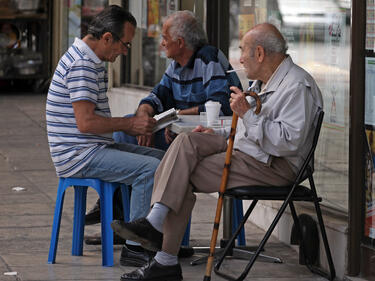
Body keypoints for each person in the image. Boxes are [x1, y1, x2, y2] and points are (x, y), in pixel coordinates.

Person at [111, 22, 324, 281]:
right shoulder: (263, 83)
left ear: (259, 53)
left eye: (243, 51)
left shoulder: (296, 86)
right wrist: (218, 133)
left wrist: (246, 114)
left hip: (275, 165)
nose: (240, 58)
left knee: (181, 173)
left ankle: (164, 257)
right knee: (186, 142)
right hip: (250, 149)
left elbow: (287, 143)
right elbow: (248, 127)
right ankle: (156, 226)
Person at [46, 5, 165, 268]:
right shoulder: (83, 65)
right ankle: (135, 247)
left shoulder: (90, 59)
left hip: (90, 148)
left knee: (166, 161)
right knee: (151, 169)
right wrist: (130, 124)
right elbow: (86, 123)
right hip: (78, 155)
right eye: (125, 44)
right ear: (107, 38)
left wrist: (130, 124)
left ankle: (154, 236)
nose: (125, 51)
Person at [112, 10, 242, 150]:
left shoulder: (208, 58)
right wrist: (143, 116)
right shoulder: (175, 65)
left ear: (180, 43)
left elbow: (220, 107)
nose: (162, 44)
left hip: (204, 135)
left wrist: (176, 116)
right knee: (128, 126)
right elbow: (155, 98)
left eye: (165, 38)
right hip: (177, 131)